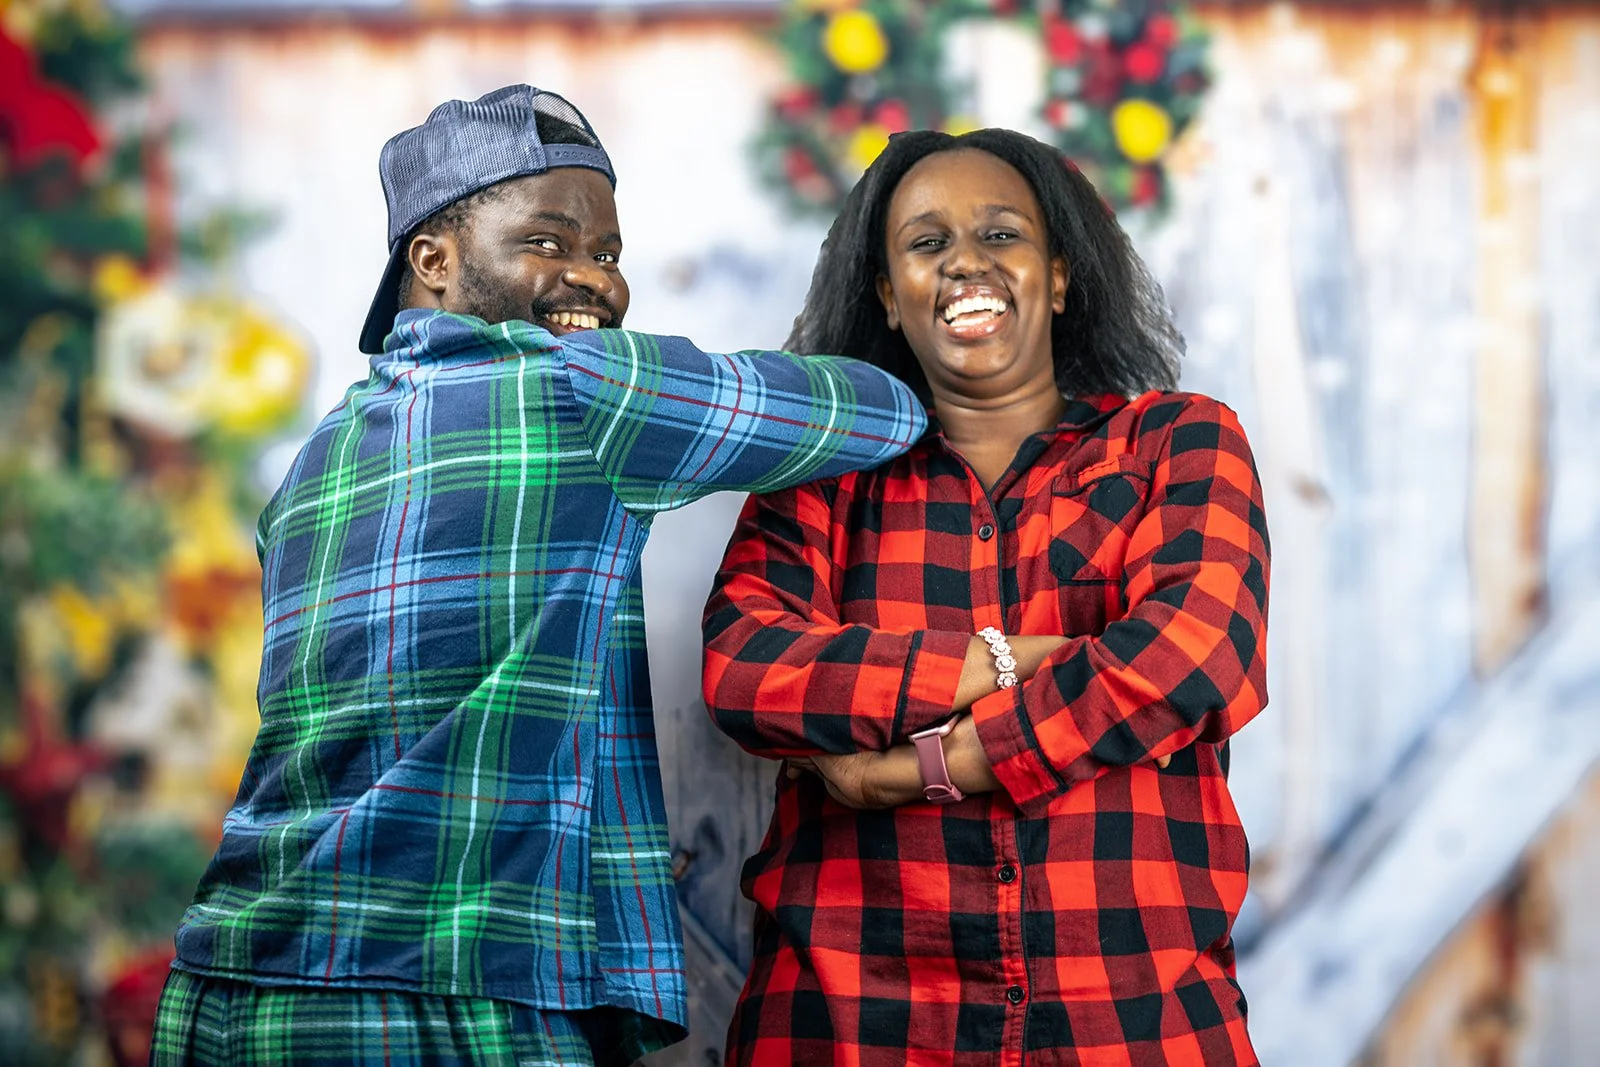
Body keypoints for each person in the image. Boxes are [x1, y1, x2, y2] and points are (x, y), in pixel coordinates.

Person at [150, 85, 927, 1066]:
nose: (592, 281)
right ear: (431, 259)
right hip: (454, 985)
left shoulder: (318, 456)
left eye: (606, 254)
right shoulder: (584, 387)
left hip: (235, 983)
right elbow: (874, 413)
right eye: (548, 242)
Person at [703, 128, 1269, 1065]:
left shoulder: (1179, 441)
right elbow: (747, 670)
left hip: (1132, 1026)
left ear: (1058, 275)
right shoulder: (823, 475)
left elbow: (1194, 654)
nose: (965, 259)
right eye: (926, 244)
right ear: (890, 296)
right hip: (850, 1026)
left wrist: (924, 766)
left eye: (1001, 234)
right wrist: (1022, 658)